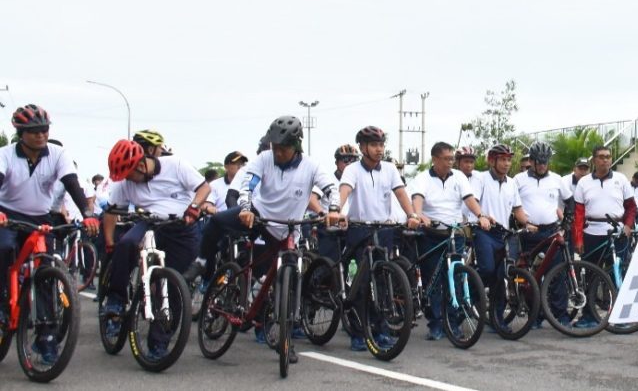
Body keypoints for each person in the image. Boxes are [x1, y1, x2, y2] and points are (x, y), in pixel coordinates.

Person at [185, 115, 340, 363]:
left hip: (289, 228)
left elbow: (331, 187)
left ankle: (285, 337)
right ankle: (203, 262)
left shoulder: (311, 166)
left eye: (283, 148)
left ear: (296, 146)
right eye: (274, 147)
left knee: (290, 276)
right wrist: (245, 208)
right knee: (216, 222)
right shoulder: (264, 159)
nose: (278, 152)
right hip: (258, 216)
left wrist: (333, 209)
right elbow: (248, 184)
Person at [0, 104, 99, 362]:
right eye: (34, 131)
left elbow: (72, 184)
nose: (41, 135)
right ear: (21, 132)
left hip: (40, 217)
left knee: (45, 271)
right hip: (7, 214)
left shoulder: (57, 154)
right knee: (4, 250)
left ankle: (46, 338)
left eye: (44, 130)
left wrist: (87, 214)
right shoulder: (6, 155)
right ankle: (2, 303)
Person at [102, 139, 210, 360]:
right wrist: (109, 241)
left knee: (175, 285)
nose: (128, 181)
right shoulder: (124, 183)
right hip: (150, 223)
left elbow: (204, 187)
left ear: (142, 165)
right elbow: (112, 212)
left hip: (182, 227)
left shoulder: (176, 165)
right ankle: (116, 298)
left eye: (130, 175)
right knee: (126, 244)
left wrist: (195, 207)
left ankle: (159, 343)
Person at [334, 126, 416, 352]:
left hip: (384, 230)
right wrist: (337, 210)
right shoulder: (352, 170)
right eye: (374, 145)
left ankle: (381, 330)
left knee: (383, 282)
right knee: (362, 283)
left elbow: (400, 194)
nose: (379, 149)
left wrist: (412, 214)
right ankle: (358, 333)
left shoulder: (390, 169)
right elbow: (345, 191)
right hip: (359, 230)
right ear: (362, 147)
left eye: (381, 145)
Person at [408, 142, 483, 341]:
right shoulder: (422, 178)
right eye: (447, 159)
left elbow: (469, 199)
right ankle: (435, 324)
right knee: (434, 279)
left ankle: (452, 322)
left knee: (455, 278)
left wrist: (481, 215)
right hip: (431, 234)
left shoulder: (458, 177)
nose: (451, 162)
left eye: (452, 159)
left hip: (455, 233)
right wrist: (418, 215)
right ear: (435, 159)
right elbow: (417, 199)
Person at [571, 145, 636, 329]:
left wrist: (628, 226)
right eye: (601, 157)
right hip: (592, 232)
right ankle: (589, 316)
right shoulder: (584, 183)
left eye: (608, 156)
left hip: (617, 232)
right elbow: (578, 214)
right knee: (591, 276)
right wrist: (578, 239)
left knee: (617, 275)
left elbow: (631, 207)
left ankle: (621, 316)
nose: (605, 160)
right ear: (594, 160)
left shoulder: (621, 179)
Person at [468, 144, 529, 329]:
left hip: (503, 234)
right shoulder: (481, 178)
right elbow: (473, 201)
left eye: (509, 160)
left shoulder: (512, 183)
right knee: (487, 269)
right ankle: (469, 289)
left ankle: (497, 320)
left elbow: (517, 209)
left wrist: (528, 224)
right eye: (502, 159)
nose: (506, 163)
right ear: (492, 160)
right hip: (485, 231)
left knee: (501, 276)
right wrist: (482, 217)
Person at [513, 141, 572, 328]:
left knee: (557, 275)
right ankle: (534, 316)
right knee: (531, 277)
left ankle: (560, 315)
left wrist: (566, 224)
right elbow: (511, 205)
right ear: (531, 161)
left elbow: (570, 202)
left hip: (551, 232)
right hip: (529, 234)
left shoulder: (557, 179)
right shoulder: (519, 180)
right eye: (538, 161)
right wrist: (520, 222)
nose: (542, 165)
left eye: (545, 162)